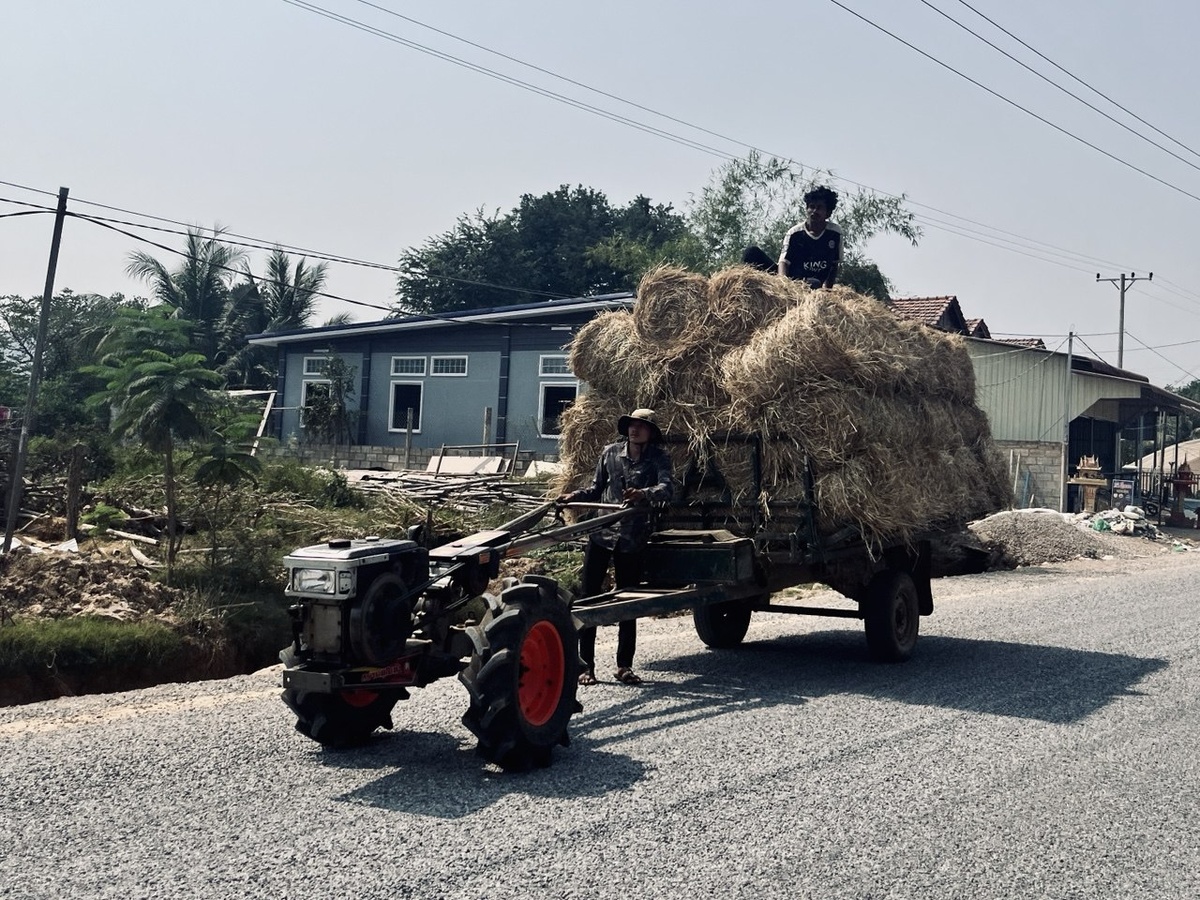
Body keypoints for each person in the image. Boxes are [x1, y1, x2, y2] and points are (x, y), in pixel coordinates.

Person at [556, 408, 674, 686]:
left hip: (632, 539)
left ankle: (624, 666)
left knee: (627, 602)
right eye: (632, 425)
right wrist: (574, 495)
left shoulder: (658, 459)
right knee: (588, 600)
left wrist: (644, 494)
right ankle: (586, 666)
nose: (635, 430)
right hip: (602, 535)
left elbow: (668, 489)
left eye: (642, 426)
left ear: (650, 433)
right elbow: (596, 489)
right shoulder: (610, 453)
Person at [778, 185, 843, 289]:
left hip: (815, 285)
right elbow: (783, 262)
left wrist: (827, 290)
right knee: (752, 253)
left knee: (814, 283)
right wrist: (783, 286)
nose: (814, 211)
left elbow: (834, 265)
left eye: (819, 208)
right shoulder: (795, 233)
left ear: (828, 213)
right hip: (794, 283)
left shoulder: (834, 233)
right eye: (812, 207)